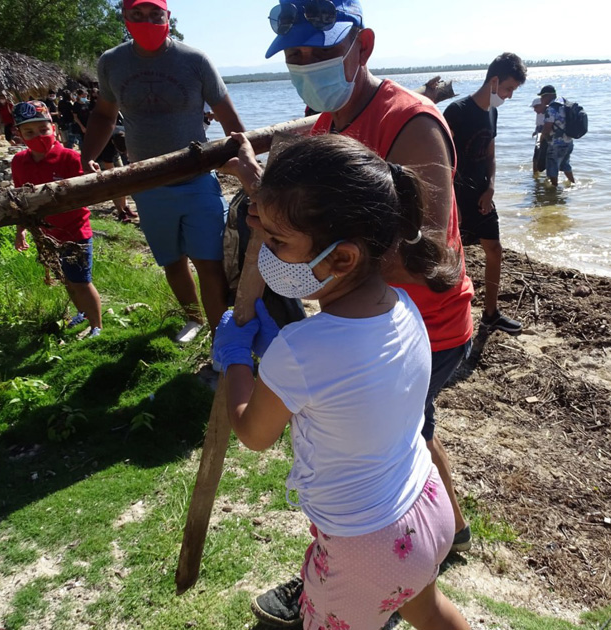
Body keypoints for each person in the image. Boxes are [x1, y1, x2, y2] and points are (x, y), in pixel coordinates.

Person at [250, 0, 475, 624]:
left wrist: (316, 274)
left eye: (318, 52)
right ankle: (433, 542)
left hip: (416, 320)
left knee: (392, 448)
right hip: (369, 314)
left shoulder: (412, 124)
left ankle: (375, 567)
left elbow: (431, 250)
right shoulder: (325, 123)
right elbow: (321, 223)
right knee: (406, 441)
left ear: (362, 46)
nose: (304, 65)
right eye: (294, 56)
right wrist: (270, 207)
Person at [216, 132, 471, 630]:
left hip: (367, 546)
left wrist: (236, 360)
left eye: (277, 241)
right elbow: (344, 384)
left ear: (343, 258)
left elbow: (252, 433)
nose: (264, 250)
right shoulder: (406, 308)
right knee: (427, 608)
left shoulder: (300, 350)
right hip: (427, 504)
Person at [80, 0, 245, 344]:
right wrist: (88, 156)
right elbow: (105, 116)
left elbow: (229, 119)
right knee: (172, 261)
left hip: (198, 179)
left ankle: (220, 339)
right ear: (125, 19)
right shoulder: (112, 62)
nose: (148, 21)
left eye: (156, 14)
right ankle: (193, 319)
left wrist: (248, 164)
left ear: (168, 17)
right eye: (137, 15)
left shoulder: (195, 60)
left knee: (209, 263)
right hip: (147, 183)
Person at [443, 53, 525, 336]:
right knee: (452, 260)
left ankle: (491, 314)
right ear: (494, 80)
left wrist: (490, 188)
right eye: (508, 89)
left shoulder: (493, 111)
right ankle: (451, 319)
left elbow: (490, 154)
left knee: (495, 250)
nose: (509, 96)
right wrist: (451, 202)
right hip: (456, 198)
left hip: (481, 195)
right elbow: (440, 160)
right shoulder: (456, 111)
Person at [10, 101, 102, 337]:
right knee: (68, 281)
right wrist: (21, 230)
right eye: (29, 132)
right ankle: (82, 313)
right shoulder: (19, 162)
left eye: (43, 130)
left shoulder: (71, 158)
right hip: (46, 235)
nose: (38, 136)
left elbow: (89, 191)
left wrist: (96, 176)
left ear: (54, 128)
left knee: (82, 281)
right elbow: (21, 200)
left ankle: (97, 326)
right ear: (19, 134)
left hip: (76, 231)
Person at [539, 85, 576, 186]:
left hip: (556, 143)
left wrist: (542, 139)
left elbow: (547, 128)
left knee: (552, 167)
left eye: (542, 97)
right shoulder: (564, 105)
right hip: (569, 141)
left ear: (548, 96)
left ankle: (554, 189)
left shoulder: (551, 109)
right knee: (565, 165)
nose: (541, 99)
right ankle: (573, 183)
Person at [531, 97, 548, 176]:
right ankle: (535, 175)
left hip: (546, 137)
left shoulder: (548, 113)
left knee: (546, 157)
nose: (534, 110)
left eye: (536, 107)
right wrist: (535, 131)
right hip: (539, 136)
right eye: (534, 108)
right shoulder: (539, 113)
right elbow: (539, 125)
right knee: (535, 158)